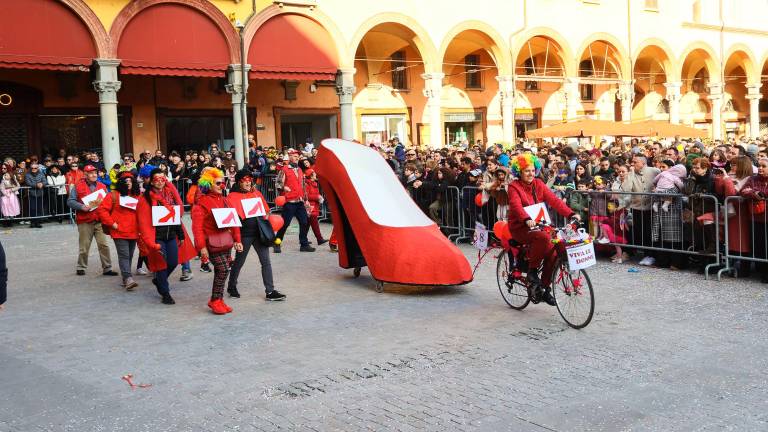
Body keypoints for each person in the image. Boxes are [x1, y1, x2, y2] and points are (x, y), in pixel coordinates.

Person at [507, 154, 579, 306]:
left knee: (556, 247)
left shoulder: (539, 183)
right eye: (526, 171)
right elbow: (516, 205)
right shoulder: (514, 187)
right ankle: (532, 271)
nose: (530, 174)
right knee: (544, 238)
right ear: (519, 171)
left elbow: (554, 200)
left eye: (533, 170)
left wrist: (571, 213)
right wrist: (526, 219)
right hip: (521, 227)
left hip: (540, 224)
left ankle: (545, 288)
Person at [136, 167, 195, 304]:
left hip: (171, 234)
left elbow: (178, 212)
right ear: (151, 181)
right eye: (157, 179)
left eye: (163, 179)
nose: (160, 182)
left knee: (173, 262)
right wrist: (151, 243)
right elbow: (143, 222)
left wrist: (180, 234)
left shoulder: (169, 194)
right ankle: (165, 293)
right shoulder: (145, 199)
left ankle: (159, 281)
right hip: (156, 236)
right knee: (161, 264)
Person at [226, 169, 285, 300]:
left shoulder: (257, 193)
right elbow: (232, 219)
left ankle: (270, 292)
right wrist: (236, 239)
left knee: (266, 262)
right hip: (244, 234)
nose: (248, 183)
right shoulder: (232, 197)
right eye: (244, 180)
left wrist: (266, 217)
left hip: (259, 233)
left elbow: (266, 211)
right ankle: (231, 286)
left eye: (249, 180)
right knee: (239, 262)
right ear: (239, 182)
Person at [191, 167, 243, 314]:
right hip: (211, 243)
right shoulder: (201, 203)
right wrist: (201, 247)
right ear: (209, 185)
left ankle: (218, 299)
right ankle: (215, 300)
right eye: (218, 183)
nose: (222, 186)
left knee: (224, 271)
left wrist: (237, 239)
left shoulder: (226, 201)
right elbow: (197, 228)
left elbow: (234, 222)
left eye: (223, 183)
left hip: (225, 241)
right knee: (223, 269)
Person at [67, 165, 117, 276]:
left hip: (99, 220)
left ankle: (107, 268)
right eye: (91, 173)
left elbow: (108, 201)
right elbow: (70, 201)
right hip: (85, 220)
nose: (94, 175)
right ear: (85, 174)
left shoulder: (102, 186)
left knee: (104, 245)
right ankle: (81, 267)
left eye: (95, 172)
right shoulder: (78, 186)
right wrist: (81, 207)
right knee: (84, 246)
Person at [97, 172, 141, 291]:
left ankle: (125, 277)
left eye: (130, 181)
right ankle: (128, 278)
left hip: (134, 231)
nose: (128, 183)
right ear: (121, 183)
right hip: (119, 231)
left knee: (129, 255)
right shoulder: (113, 195)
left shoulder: (138, 195)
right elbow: (102, 210)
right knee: (124, 255)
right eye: (126, 181)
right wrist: (112, 224)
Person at [274, 149, 314, 253]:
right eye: (295, 156)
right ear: (290, 157)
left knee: (304, 222)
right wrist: (283, 187)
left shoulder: (300, 170)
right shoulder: (284, 169)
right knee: (285, 224)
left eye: (298, 157)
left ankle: (304, 244)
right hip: (289, 202)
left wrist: (306, 200)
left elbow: (302, 186)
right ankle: (277, 243)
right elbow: (277, 183)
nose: (297, 158)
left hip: (300, 201)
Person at [623, 155, 660, 265]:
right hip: (637, 208)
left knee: (650, 232)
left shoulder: (654, 171)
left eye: (635, 162)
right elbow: (627, 188)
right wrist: (631, 174)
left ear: (643, 163)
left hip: (651, 208)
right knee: (640, 232)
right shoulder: (631, 173)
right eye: (632, 162)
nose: (632, 164)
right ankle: (644, 254)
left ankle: (651, 255)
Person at [740, 157, 768, 282]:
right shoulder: (753, 179)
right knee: (759, 245)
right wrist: (754, 194)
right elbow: (743, 191)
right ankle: (763, 272)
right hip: (756, 218)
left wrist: (758, 193)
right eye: (759, 166)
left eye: (764, 166)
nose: (760, 168)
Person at [304, 169, 327, 245]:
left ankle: (304, 239)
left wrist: (318, 197)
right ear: (311, 176)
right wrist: (317, 197)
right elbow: (306, 196)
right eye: (314, 174)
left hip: (313, 206)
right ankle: (319, 239)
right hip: (310, 207)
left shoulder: (314, 183)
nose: (315, 175)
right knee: (315, 224)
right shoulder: (307, 184)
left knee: (307, 224)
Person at [24, 163, 47, 228]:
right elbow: (28, 183)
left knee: (39, 208)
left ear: (38, 168)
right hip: (32, 194)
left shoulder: (41, 174)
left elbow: (45, 181)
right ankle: (33, 222)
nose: (33, 169)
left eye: (35, 168)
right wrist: (37, 185)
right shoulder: (27, 175)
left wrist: (42, 184)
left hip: (40, 193)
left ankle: (38, 222)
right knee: (32, 208)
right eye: (32, 168)